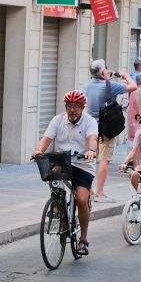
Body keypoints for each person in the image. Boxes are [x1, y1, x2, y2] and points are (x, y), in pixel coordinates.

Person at [34, 90, 98, 255]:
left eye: (76, 106)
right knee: (51, 176)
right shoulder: (58, 120)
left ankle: (83, 240)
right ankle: (58, 206)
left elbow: (92, 138)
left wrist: (91, 150)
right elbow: (47, 138)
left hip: (83, 164)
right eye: (69, 106)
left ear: (82, 107)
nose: (72, 110)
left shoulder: (89, 121)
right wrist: (39, 151)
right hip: (63, 162)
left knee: (81, 199)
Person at [84, 59, 138, 202]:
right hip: (106, 128)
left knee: (87, 160)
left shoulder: (87, 85)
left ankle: (88, 190)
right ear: (103, 72)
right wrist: (125, 75)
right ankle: (100, 194)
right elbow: (133, 86)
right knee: (104, 160)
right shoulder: (111, 85)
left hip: (90, 128)